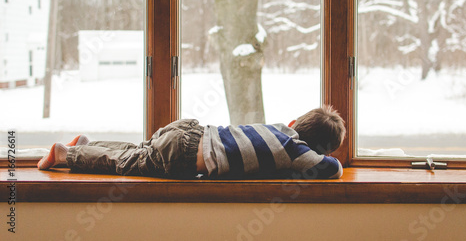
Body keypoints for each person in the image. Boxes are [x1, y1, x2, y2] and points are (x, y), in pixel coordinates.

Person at [37, 105, 346, 179]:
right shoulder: (297, 153)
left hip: (191, 130)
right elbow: (332, 169)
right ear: (317, 147)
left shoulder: (280, 129)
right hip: (188, 156)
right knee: (129, 163)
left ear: (294, 124)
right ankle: (66, 155)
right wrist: (327, 156)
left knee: (138, 151)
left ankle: (87, 145)